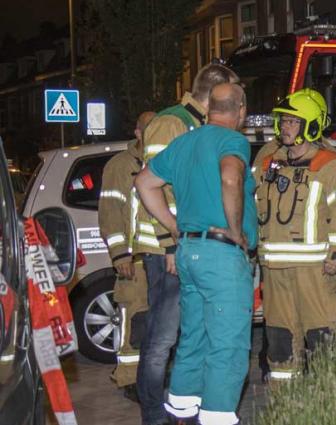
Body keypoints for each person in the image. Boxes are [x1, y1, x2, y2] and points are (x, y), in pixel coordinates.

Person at [135, 82, 257, 425]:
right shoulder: (232, 140)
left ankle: (182, 415)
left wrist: (174, 226)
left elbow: (144, 182)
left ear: (207, 110)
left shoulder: (184, 141)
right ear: (242, 110)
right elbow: (231, 179)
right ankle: (217, 417)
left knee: (193, 339)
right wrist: (235, 230)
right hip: (221, 254)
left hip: (189, 252)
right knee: (227, 346)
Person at [253, 90, 336, 381]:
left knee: (323, 337)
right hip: (274, 272)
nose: (284, 127)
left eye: (292, 122)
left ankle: (330, 406)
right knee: (280, 342)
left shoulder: (330, 165)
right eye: (283, 121)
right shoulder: (266, 164)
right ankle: (286, 407)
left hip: (315, 271)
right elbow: (251, 205)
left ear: (310, 125)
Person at [98, 111, 155, 401]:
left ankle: (150, 373)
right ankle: (128, 378)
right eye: (148, 129)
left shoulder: (163, 161)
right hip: (134, 260)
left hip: (158, 256)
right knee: (134, 320)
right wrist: (120, 254)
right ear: (137, 132)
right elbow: (110, 213)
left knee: (157, 322)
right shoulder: (120, 166)